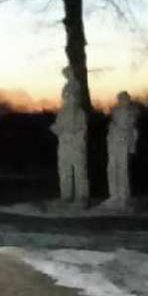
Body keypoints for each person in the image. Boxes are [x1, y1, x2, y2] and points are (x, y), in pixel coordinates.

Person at [51, 68, 89, 203]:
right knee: (64, 170)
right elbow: (59, 127)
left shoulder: (79, 113)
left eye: (70, 94)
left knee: (79, 171)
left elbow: (82, 130)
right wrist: (57, 129)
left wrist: (75, 136)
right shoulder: (62, 113)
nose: (67, 97)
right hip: (64, 144)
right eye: (65, 95)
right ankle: (66, 196)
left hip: (76, 145)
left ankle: (82, 197)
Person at [106, 91, 140, 208]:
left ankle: (123, 196)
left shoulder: (131, 113)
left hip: (123, 144)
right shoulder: (115, 112)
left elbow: (133, 131)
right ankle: (114, 195)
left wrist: (131, 146)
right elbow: (112, 129)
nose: (122, 101)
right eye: (120, 99)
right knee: (112, 169)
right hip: (113, 144)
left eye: (124, 99)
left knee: (122, 170)